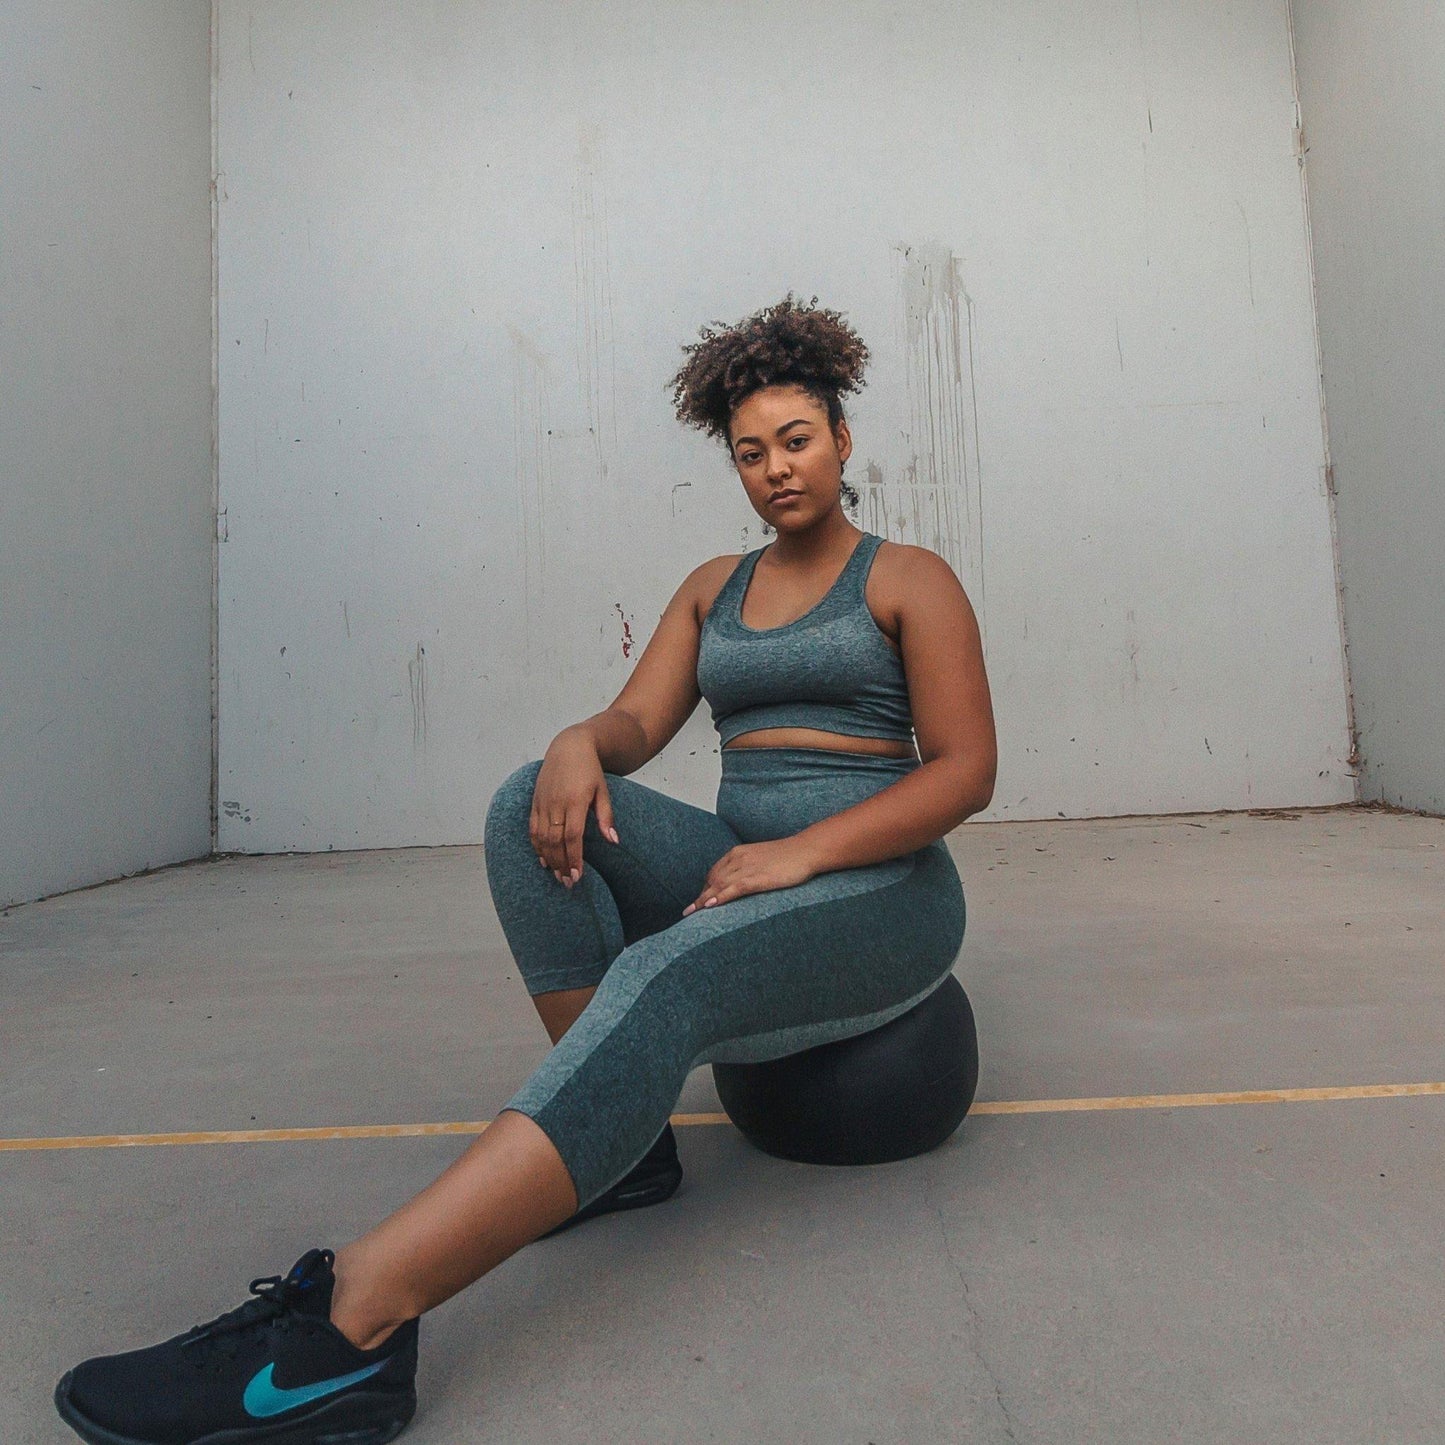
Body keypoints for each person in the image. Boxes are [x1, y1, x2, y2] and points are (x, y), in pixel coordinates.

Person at [53, 296, 997, 1445]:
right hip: (747, 859)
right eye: (751, 452)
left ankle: (354, 1320)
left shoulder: (908, 578)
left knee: (663, 973)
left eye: (795, 439)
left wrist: (798, 853)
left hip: (883, 885)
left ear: (841, 439)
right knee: (524, 808)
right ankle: (624, 1155)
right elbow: (633, 724)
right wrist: (574, 742)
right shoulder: (714, 587)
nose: (775, 468)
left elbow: (965, 771)